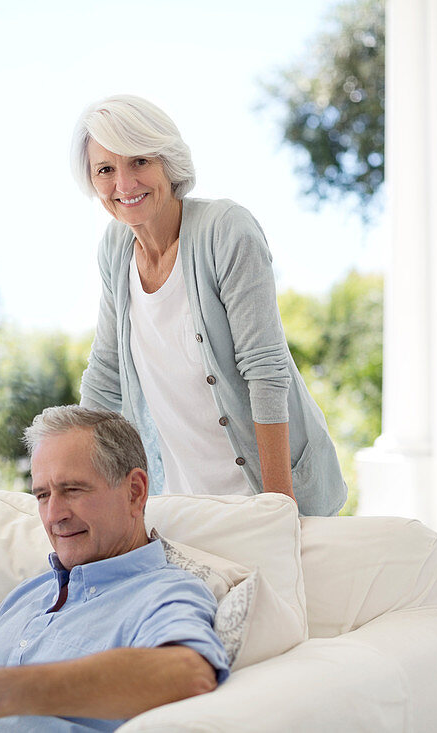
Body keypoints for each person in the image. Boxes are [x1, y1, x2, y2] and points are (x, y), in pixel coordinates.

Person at [70, 94, 347, 517]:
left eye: (140, 161)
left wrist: (277, 510)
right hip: (186, 502)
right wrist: (71, 483)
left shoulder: (225, 230)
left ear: (168, 160)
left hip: (269, 490)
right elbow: (106, 377)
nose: (124, 185)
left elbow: (265, 370)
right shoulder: (115, 248)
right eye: (106, 169)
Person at [0, 406, 229, 732]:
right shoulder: (26, 595)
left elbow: (189, 674)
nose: (54, 516)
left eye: (72, 490)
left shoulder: (166, 591)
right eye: (42, 495)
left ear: (135, 492)